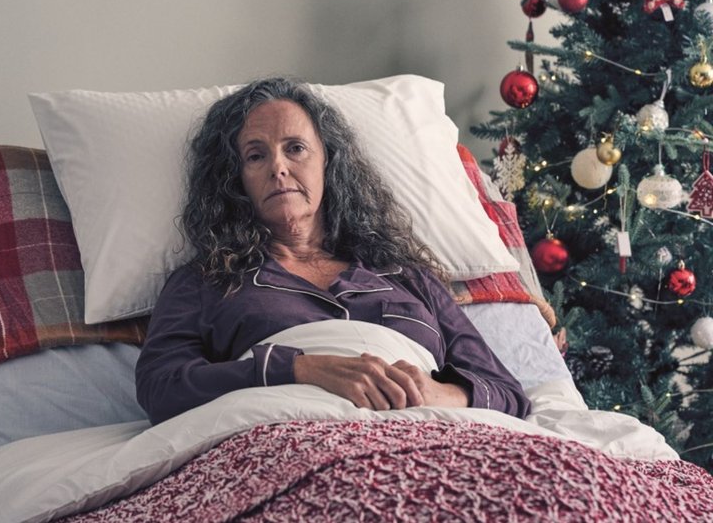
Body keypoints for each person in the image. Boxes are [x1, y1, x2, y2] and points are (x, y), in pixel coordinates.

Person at [136, 77, 531, 426]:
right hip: (285, 441)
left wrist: (438, 395)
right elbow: (162, 389)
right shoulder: (205, 282)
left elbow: (507, 393)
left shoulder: (408, 277)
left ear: (328, 161)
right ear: (235, 180)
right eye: (256, 156)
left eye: (295, 148)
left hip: (431, 433)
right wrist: (302, 368)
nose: (279, 167)